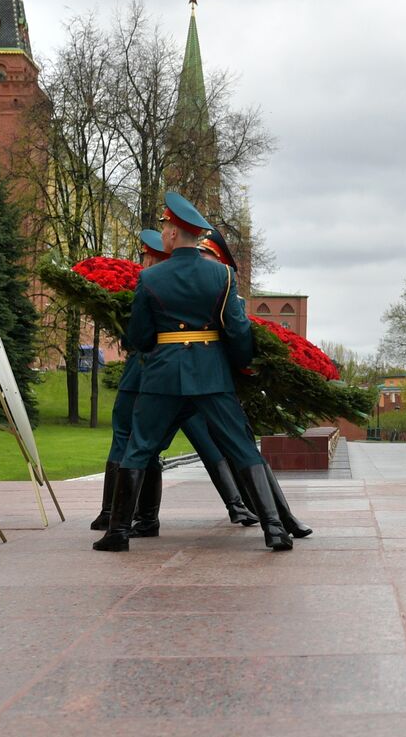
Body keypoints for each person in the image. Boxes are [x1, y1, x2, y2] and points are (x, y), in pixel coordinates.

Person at [93, 192, 291, 552]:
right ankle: (275, 530)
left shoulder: (150, 278)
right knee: (242, 446)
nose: (165, 231)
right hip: (211, 373)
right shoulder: (223, 274)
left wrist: (160, 347)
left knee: (139, 448)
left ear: (171, 234)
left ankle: (118, 532)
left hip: (162, 375)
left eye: (166, 226)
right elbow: (237, 330)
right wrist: (239, 364)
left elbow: (138, 335)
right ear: (194, 235)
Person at [90, 229, 257, 535]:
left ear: (157, 254)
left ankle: (117, 515)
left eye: (147, 255)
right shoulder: (188, 280)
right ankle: (241, 507)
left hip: (154, 376)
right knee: (208, 442)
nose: (145, 260)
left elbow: (141, 336)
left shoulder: (154, 281)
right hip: (195, 374)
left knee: (134, 442)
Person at [198, 228, 311, 539]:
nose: (201, 262)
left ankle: (279, 520)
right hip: (169, 385)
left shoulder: (226, 291)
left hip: (211, 384)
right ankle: (119, 524)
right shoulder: (176, 282)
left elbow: (236, 337)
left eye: (207, 257)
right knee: (137, 447)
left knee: (242, 446)